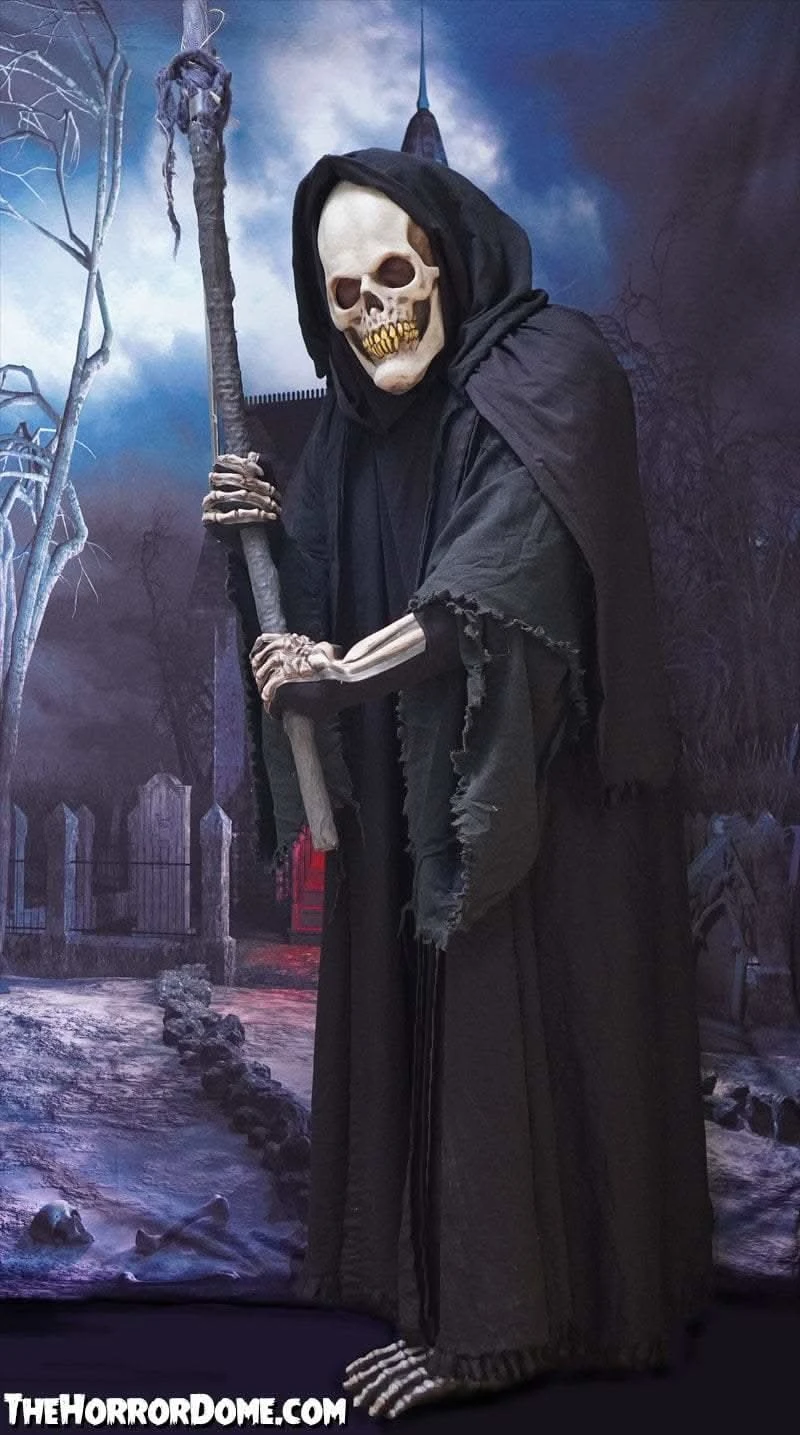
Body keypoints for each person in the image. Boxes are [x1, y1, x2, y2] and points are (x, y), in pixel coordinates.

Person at [203, 148, 714, 1418]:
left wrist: (341, 670)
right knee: (437, 1016)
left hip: (537, 793)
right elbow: (312, 607)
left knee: (516, 1018)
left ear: (439, 259)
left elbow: (494, 582)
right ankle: (438, 1290)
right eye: (342, 296)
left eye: (391, 276)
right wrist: (257, 539)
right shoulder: (350, 429)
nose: (371, 314)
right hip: (414, 796)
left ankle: (503, 1326)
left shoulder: (557, 369)